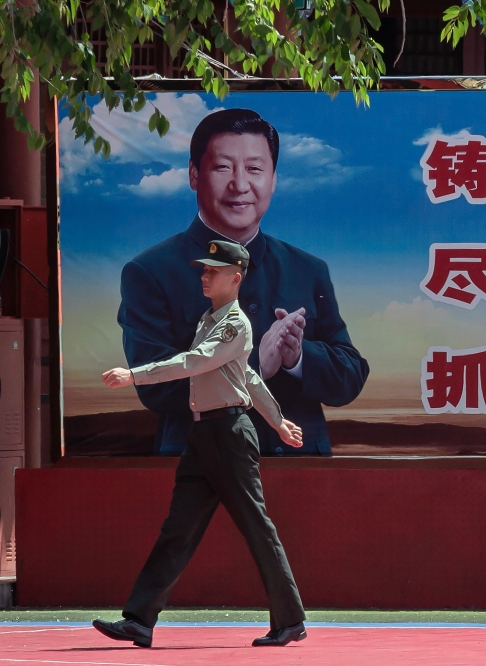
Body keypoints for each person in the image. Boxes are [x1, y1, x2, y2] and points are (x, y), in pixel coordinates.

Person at [93, 240, 308, 648]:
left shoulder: (234, 324)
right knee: (179, 528)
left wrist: (135, 375)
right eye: (204, 269)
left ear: (236, 277)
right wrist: (278, 420)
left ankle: (290, 619)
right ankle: (139, 619)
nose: (204, 275)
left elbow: (193, 362)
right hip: (204, 435)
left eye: (213, 270)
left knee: (257, 528)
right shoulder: (211, 319)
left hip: (227, 435)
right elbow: (248, 376)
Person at [118, 108, 369, 456]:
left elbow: (350, 378)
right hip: (202, 469)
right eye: (223, 167)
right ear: (194, 174)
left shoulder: (308, 269)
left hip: (302, 469)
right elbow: (155, 386)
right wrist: (257, 366)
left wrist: (297, 357)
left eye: (254, 169)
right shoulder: (150, 272)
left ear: (273, 179)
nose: (240, 185)